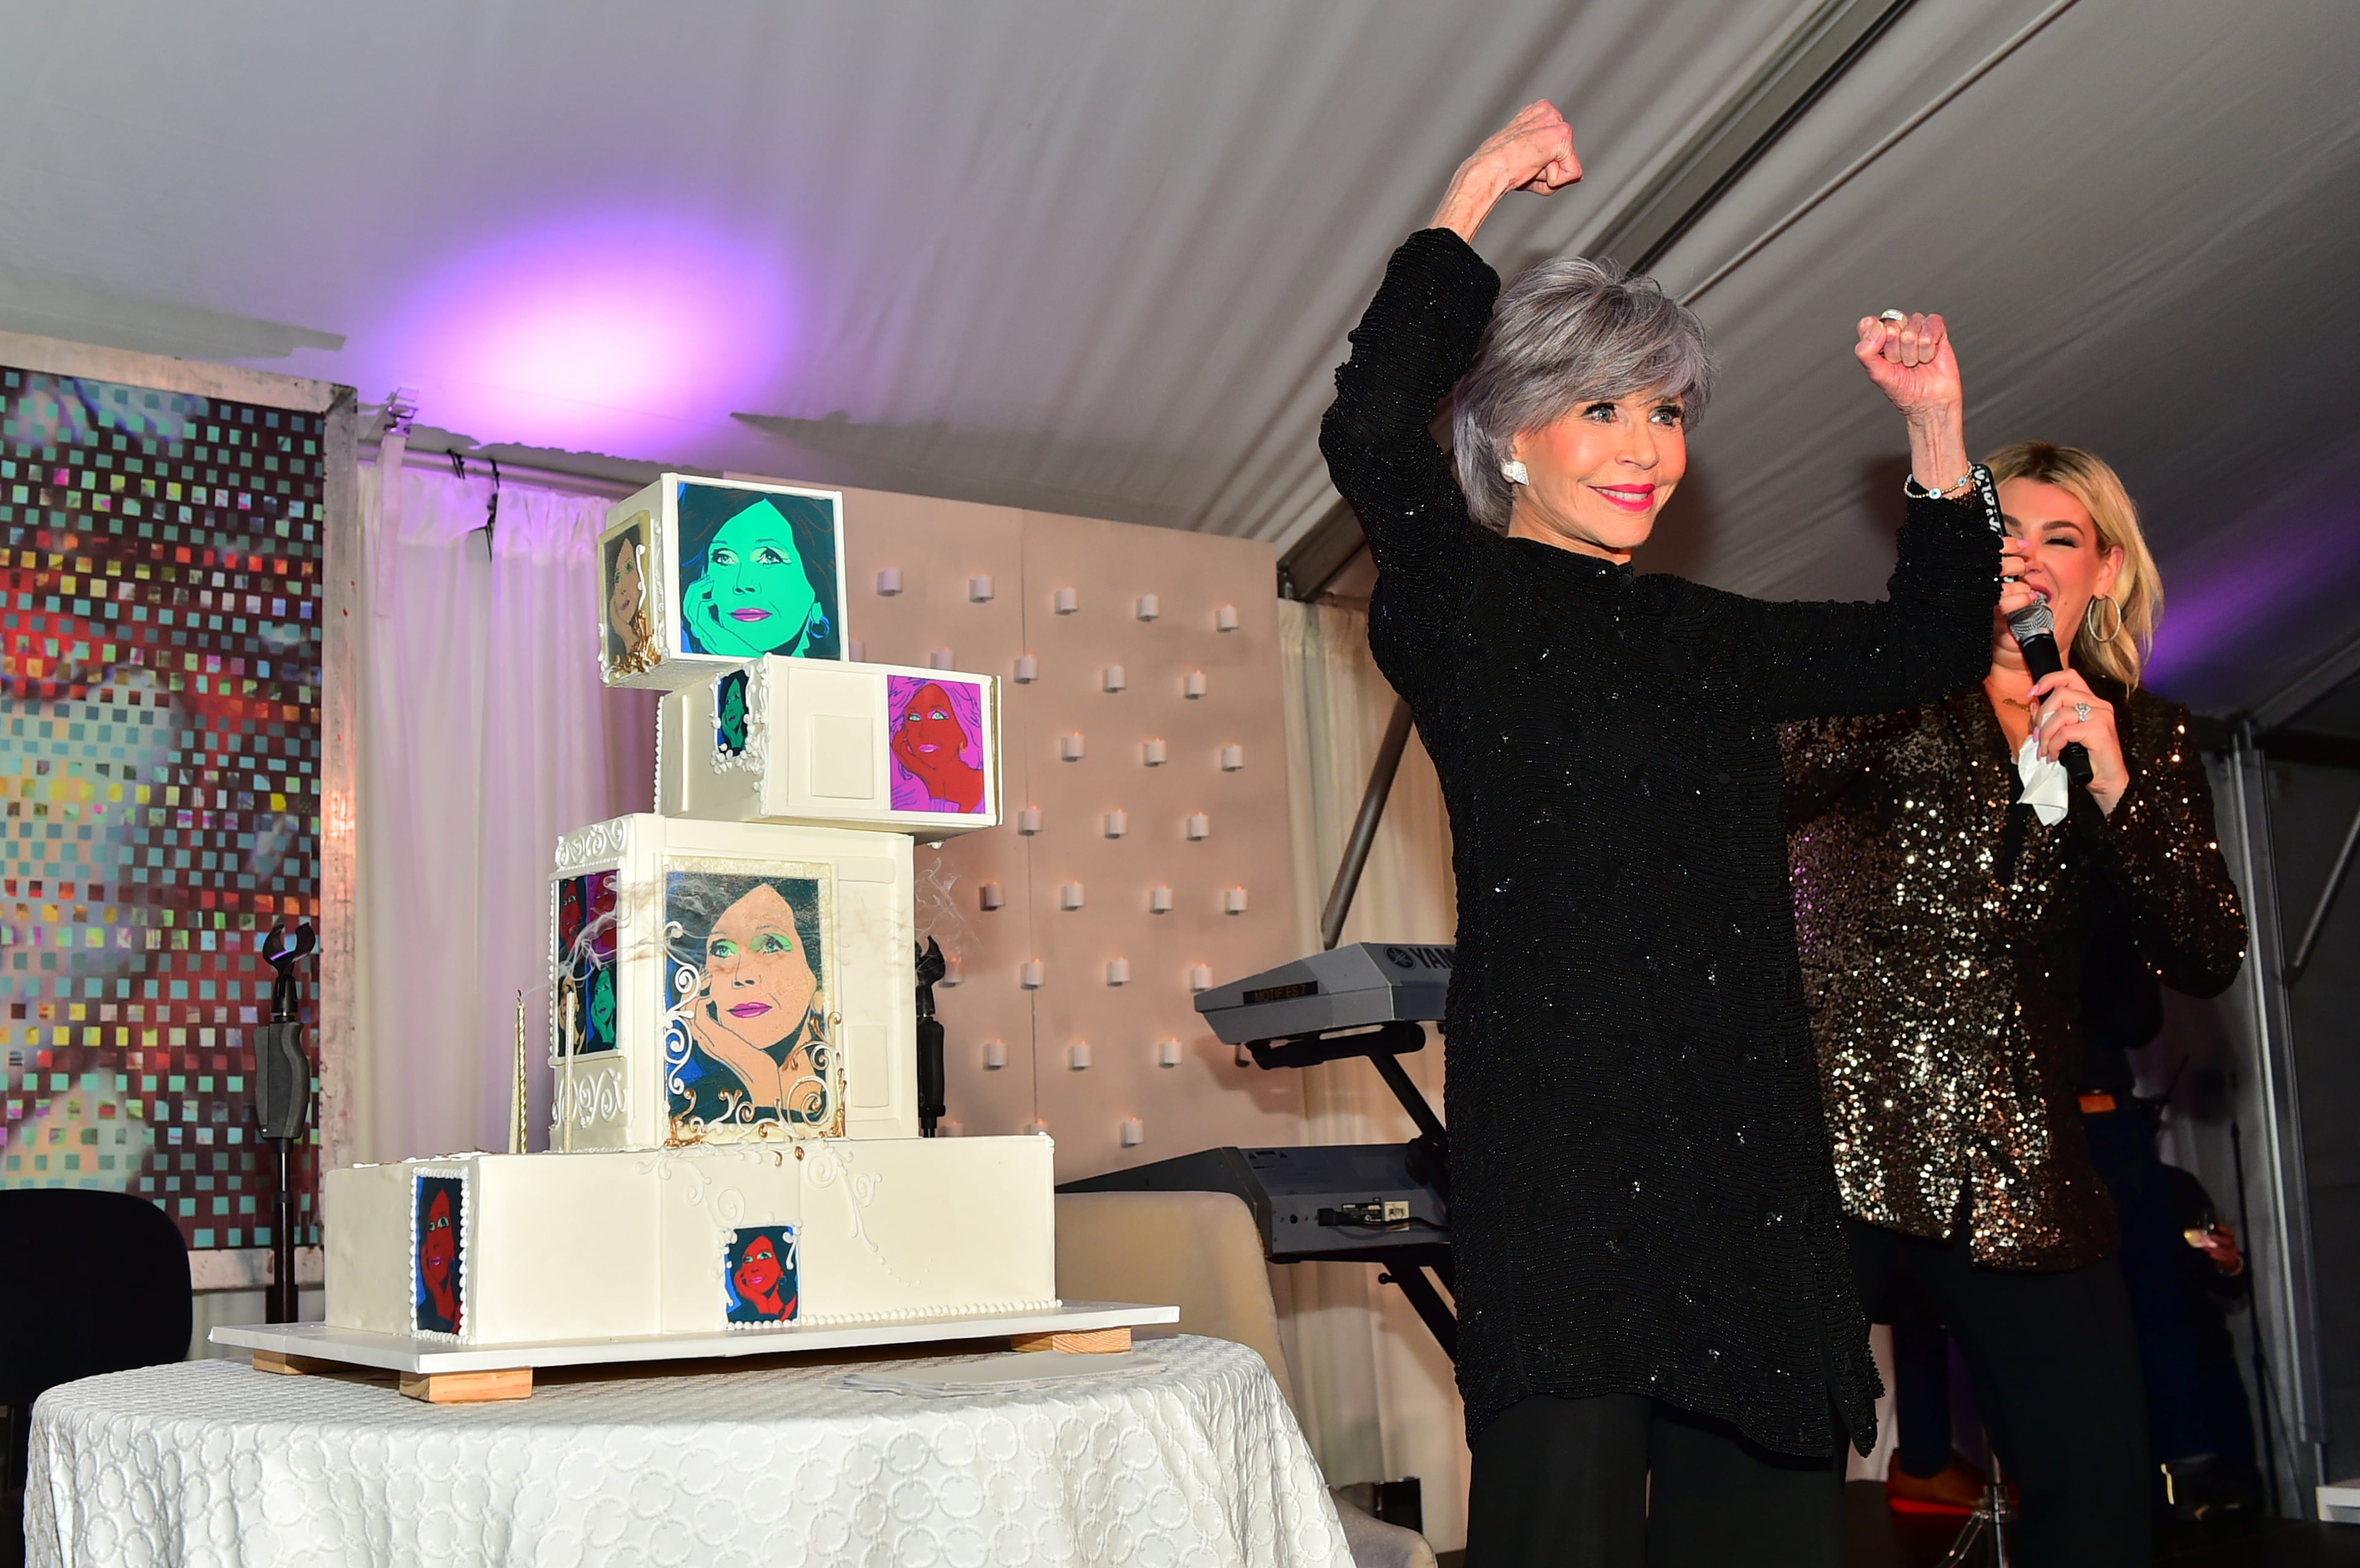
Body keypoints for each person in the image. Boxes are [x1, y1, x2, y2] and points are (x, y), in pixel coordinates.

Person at [1320, 100, 2015, 1567]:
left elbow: (1935, 638)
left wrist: (1935, 424)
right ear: (1510, 435)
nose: (1644, 450)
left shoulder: (1708, 637)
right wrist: (1476, 185)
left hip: (1743, 1162)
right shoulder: (1461, 606)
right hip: (1561, 1162)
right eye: (1602, 408)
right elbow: (1371, 421)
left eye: (1668, 411)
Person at [1782, 441, 2247, 1566]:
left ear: (2108, 573)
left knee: (2097, 1496)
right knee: (1763, 1491)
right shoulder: (1877, 692)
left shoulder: (2148, 732)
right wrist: (1922, 637)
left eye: (2060, 539)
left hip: (2022, 1158)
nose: (2028, 564)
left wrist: (2118, 782)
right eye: (2002, 539)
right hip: (1830, 1142)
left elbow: (2203, 950)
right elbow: (1752, 801)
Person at [667, 877, 834, 1131]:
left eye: (770, 945)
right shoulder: (686, 1114)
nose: (741, 976)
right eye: (723, 950)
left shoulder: (854, 1104)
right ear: (704, 982)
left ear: (819, 981)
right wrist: (758, 1074)